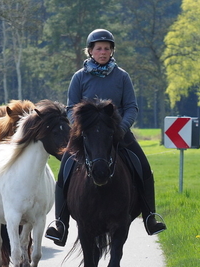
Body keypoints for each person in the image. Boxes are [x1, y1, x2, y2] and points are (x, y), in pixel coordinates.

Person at [45, 28, 167, 246]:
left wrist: (120, 127)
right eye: (99, 49)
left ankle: (150, 216)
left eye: (107, 49)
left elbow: (131, 106)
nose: (103, 52)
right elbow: (71, 107)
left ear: (112, 51)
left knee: (144, 168)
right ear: (90, 51)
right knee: (64, 171)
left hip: (118, 133)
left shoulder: (122, 76)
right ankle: (60, 224)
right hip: (86, 136)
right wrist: (81, 128)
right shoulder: (79, 77)